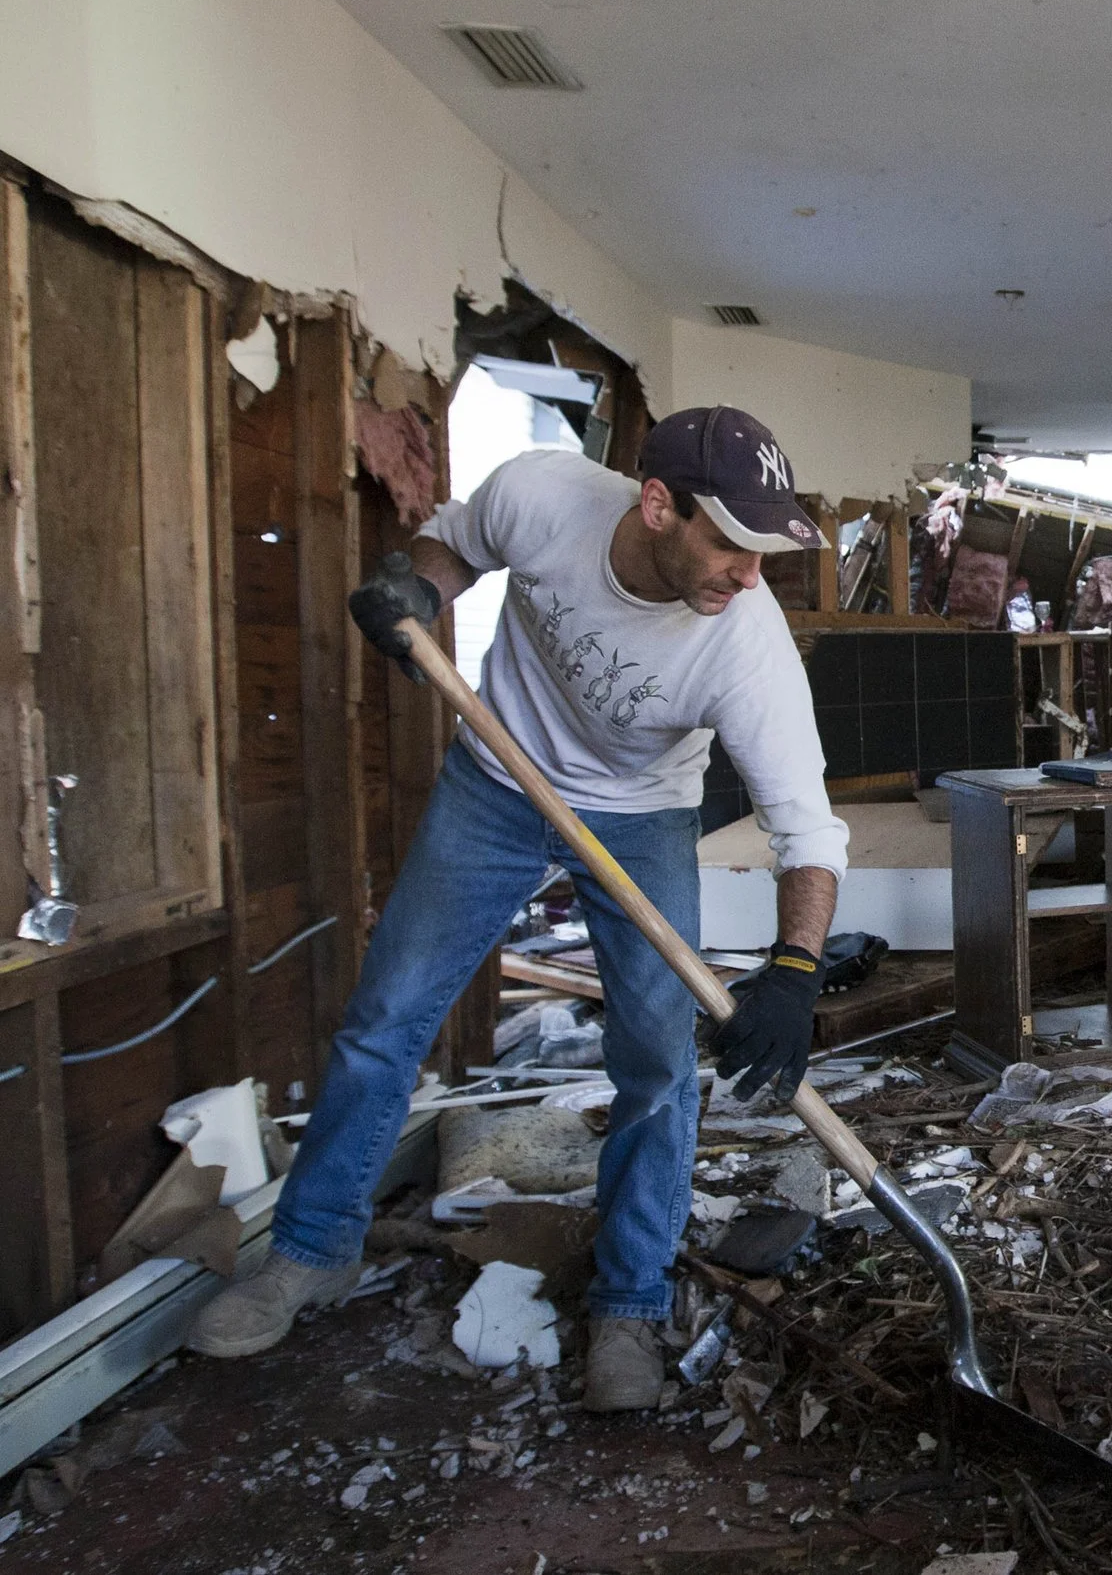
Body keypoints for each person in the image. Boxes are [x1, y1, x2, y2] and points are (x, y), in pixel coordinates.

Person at [187, 406, 849, 1412]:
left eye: (767, 552)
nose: (749, 575)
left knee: (657, 1066)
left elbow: (807, 828)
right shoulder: (542, 494)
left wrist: (797, 969)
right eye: (729, 545)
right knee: (386, 1019)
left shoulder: (746, 648)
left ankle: (628, 1302)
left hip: (641, 817)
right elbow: (449, 545)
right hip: (494, 785)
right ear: (657, 505)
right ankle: (311, 1250)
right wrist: (416, 588)